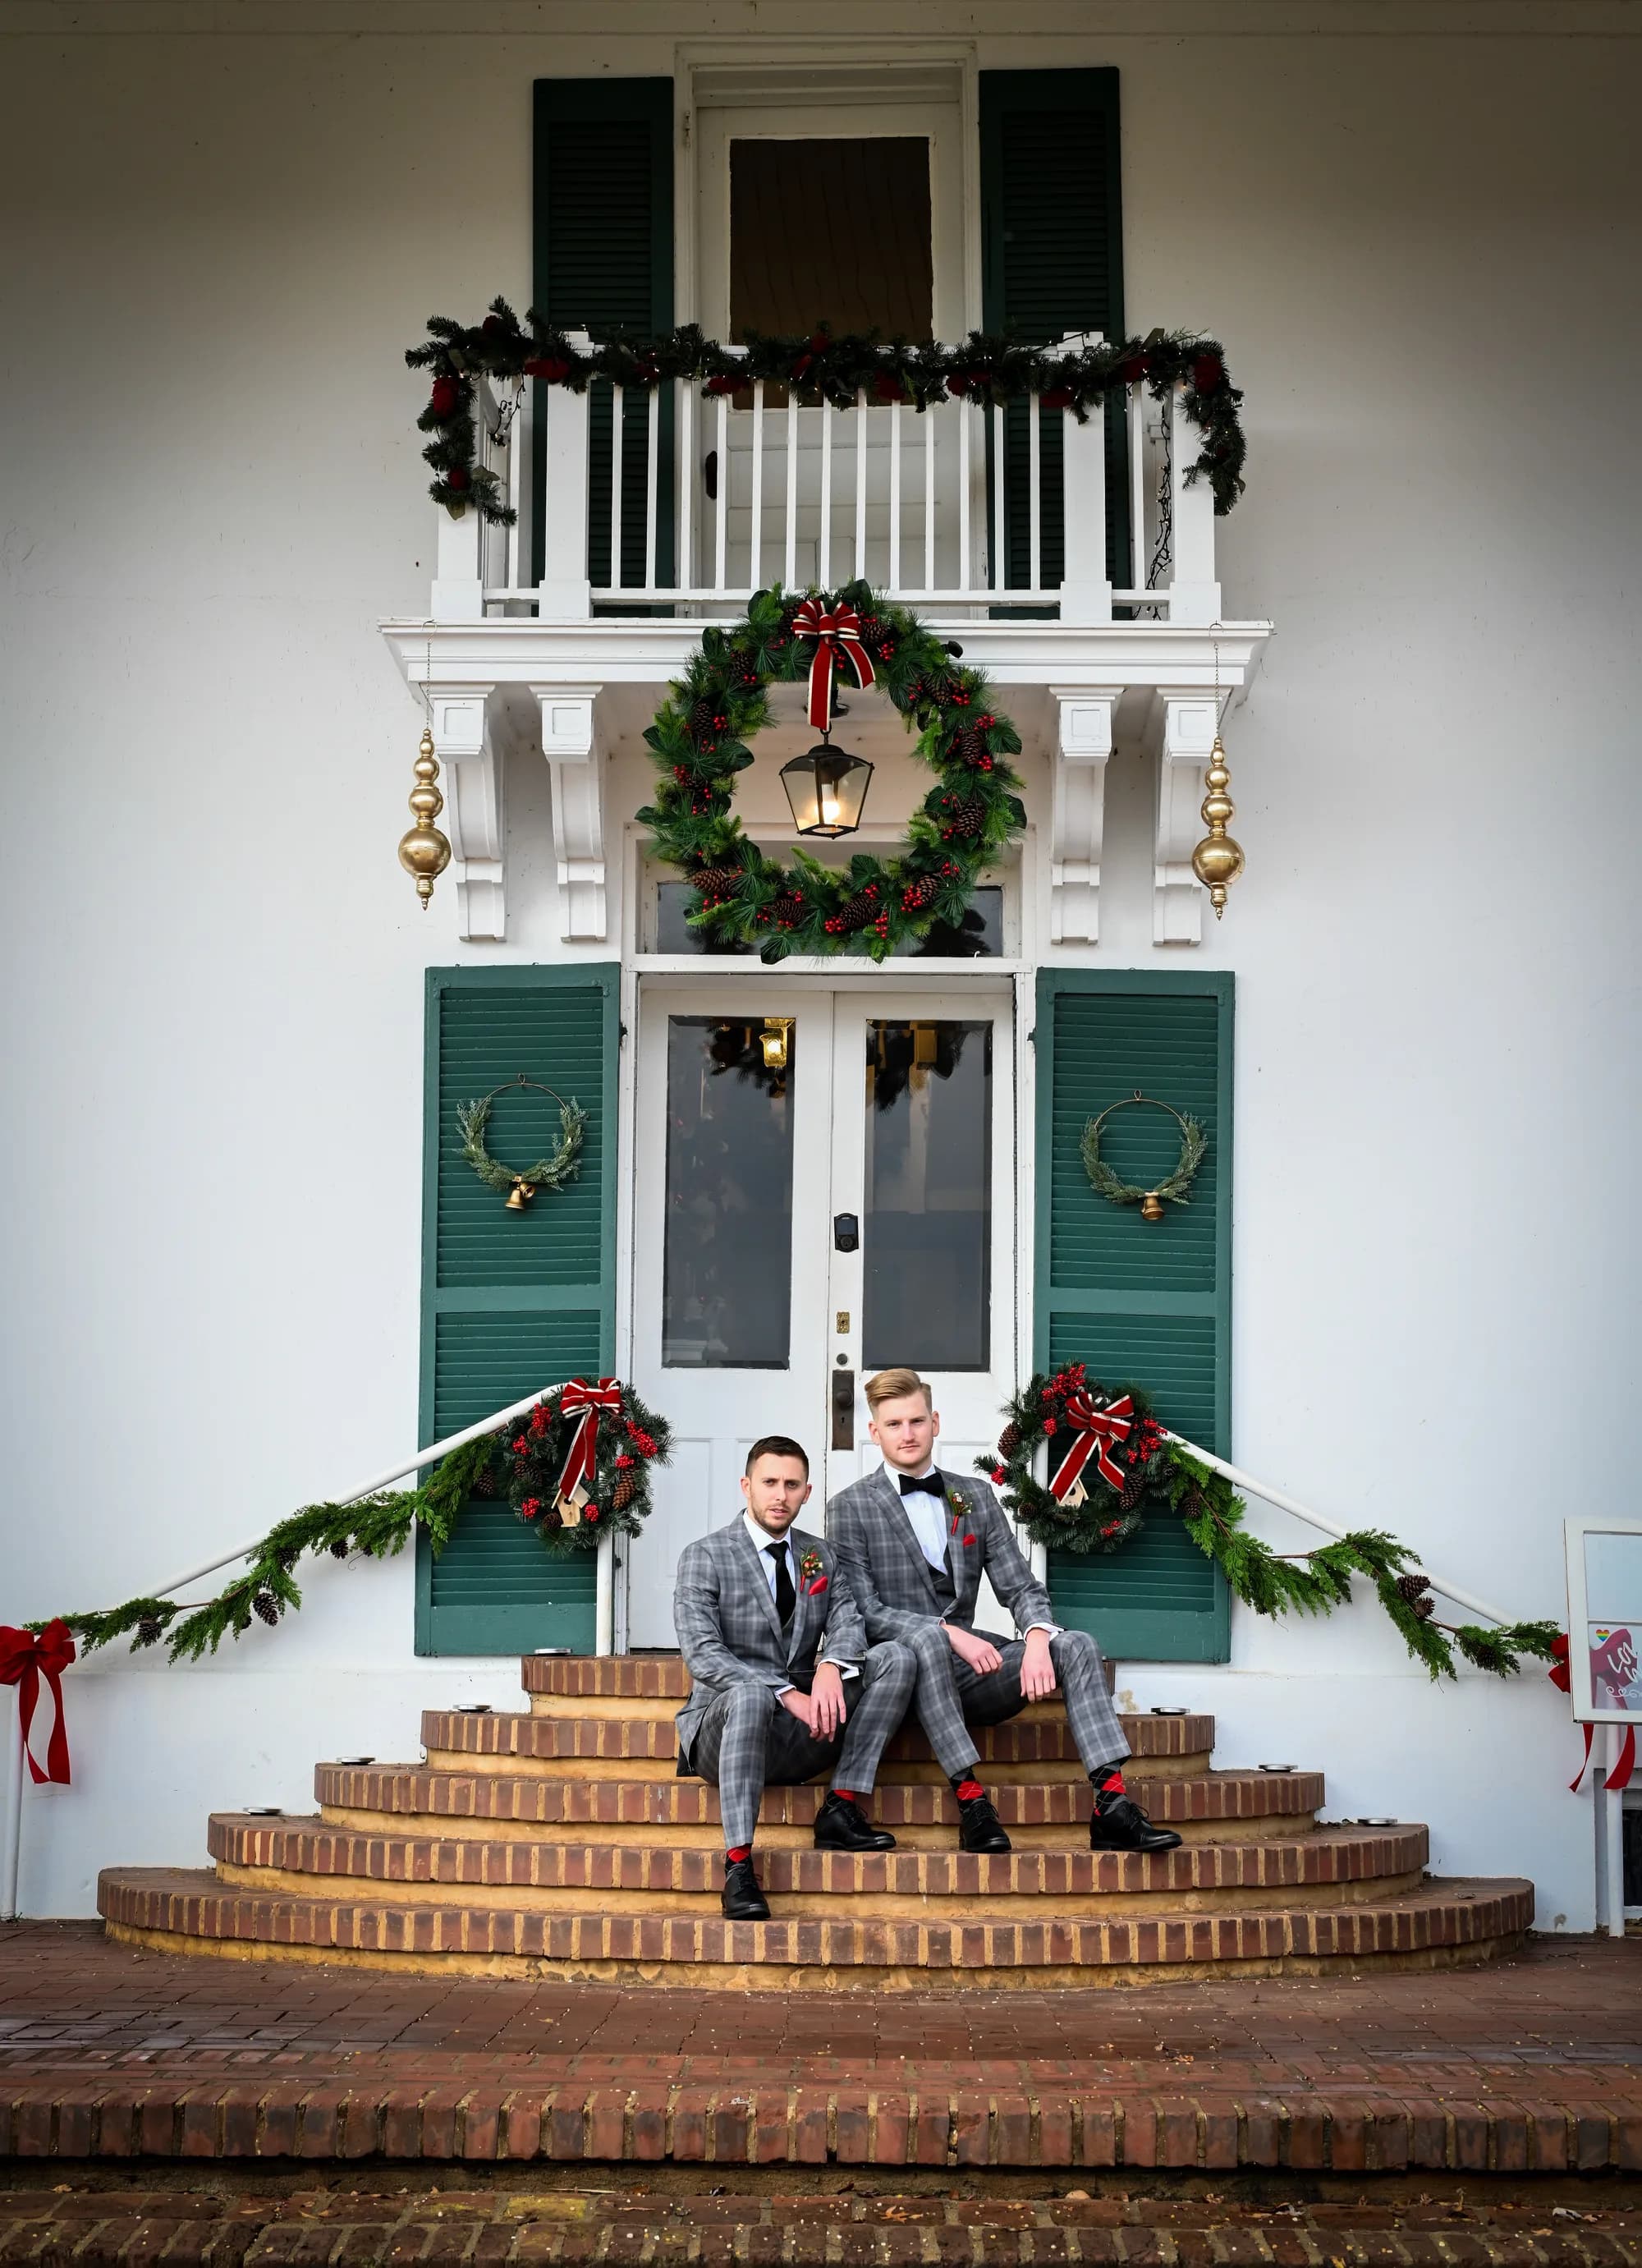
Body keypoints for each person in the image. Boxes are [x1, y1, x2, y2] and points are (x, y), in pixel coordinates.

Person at [827, 1367, 1182, 1858]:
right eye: (893, 1425)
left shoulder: (974, 1496)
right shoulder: (849, 1507)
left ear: (935, 1422)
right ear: (874, 1432)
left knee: (1076, 1645)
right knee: (930, 1640)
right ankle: (972, 1804)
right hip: (899, 1674)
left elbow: (1020, 1584)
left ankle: (1113, 1806)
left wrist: (1037, 1636)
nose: (907, 1435)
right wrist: (950, 1633)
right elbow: (865, 1611)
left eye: (915, 1422)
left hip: (971, 1676)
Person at [673, 1433, 916, 1921]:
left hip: (804, 1732)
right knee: (748, 1695)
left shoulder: (820, 1556)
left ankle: (841, 1806)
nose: (779, 1495)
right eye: (769, 1483)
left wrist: (830, 1666)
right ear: (746, 1486)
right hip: (722, 1735)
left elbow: (849, 1622)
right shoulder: (705, 1555)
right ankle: (739, 1869)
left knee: (896, 1658)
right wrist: (785, 1692)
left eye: (791, 1484)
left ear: (807, 1492)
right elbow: (703, 1655)